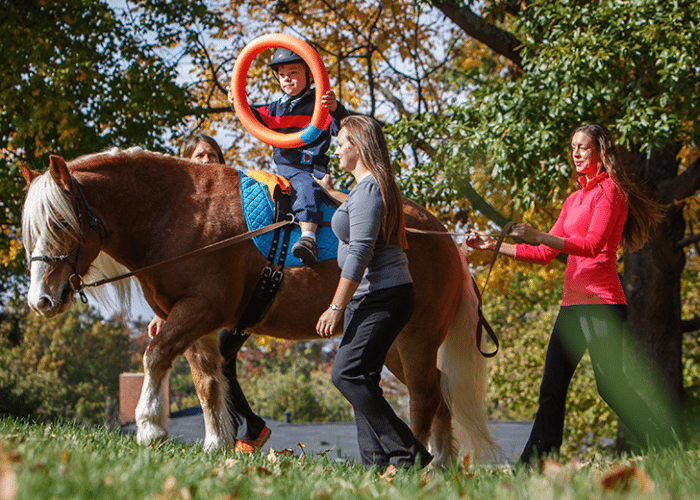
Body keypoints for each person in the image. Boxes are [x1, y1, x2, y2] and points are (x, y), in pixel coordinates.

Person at [466, 122, 673, 466]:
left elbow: (591, 245)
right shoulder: (574, 199)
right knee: (551, 388)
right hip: (572, 306)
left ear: (600, 152)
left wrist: (539, 235)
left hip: (602, 304)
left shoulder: (610, 192)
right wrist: (493, 245)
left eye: (583, 147)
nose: (576, 153)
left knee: (610, 386)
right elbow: (542, 253)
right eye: (573, 147)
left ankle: (662, 440)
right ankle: (536, 464)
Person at [315, 115, 432, 470]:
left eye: (341, 144)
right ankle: (375, 464)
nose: (337, 151)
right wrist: (329, 192)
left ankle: (406, 452)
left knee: (346, 374)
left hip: (383, 294)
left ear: (358, 147)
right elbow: (356, 212)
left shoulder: (369, 191)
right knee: (362, 376)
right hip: (373, 296)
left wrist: (337, 305)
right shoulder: (366, 189)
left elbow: (362, 251)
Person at [149, 133, 271, 454]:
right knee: (214, 362)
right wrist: (162, 313)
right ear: (187, 161)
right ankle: (240, 432)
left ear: (221, 160)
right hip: (205, 300)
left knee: (218, 359)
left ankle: (247, 429)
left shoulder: (235, 194)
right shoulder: (182, 211)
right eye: (199, 156)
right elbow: (177, 275)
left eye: (212, 155)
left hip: (241, 297)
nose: (206, 161)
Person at [228, 47, 350, 266]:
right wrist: (236, 100)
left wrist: (335, 108)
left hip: (310, 169)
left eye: (294, 72)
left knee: (304, 186)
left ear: (310, 75)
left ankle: (308, 237)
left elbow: (344, 127)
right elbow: (252, 115)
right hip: (284, 170)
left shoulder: (319, 107)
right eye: (282, 74)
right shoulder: (275, 109)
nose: (288, 79)